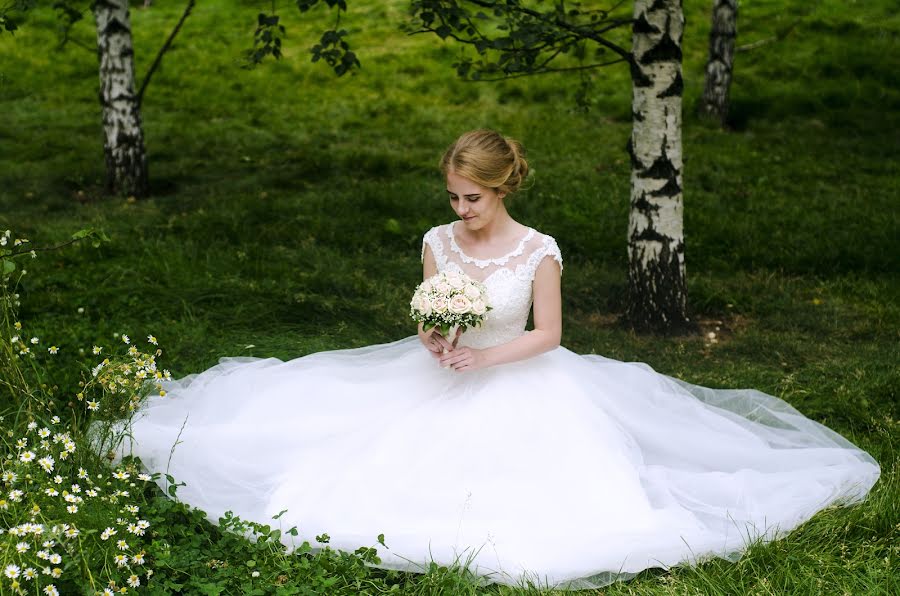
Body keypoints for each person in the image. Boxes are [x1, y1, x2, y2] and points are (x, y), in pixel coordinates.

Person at [120, 129, 880, 590]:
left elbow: (549, 334)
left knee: (547, 495)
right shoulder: (437, 241)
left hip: (522, 373)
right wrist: (435, 340)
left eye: (470, 200)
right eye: (452, 198)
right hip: (445, 369)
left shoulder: (537, 250)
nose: (459, 212)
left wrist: (487, 364)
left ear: (500, 188)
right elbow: (427, 308)